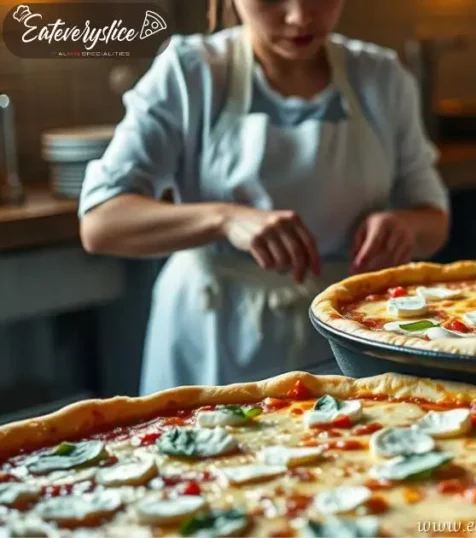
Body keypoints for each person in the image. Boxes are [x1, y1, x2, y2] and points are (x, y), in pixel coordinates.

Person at [78, 0, 450, 394]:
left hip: (346, 329)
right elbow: (101, 222)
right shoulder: (191, 71)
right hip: (215, 334)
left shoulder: (381, 76)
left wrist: (403, 225)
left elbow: (433, 220)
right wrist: (225, 219)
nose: (300, 17)